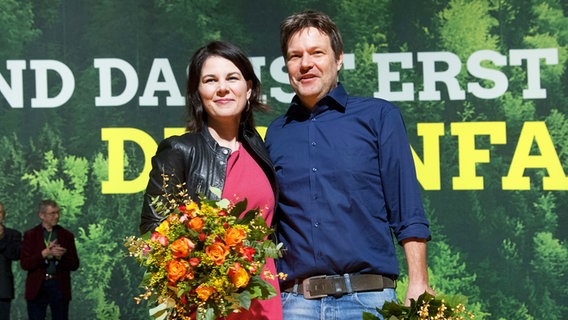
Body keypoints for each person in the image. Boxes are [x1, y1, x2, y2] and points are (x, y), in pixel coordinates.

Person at [264, 10, 435, 319]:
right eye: (295, 56)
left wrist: (418, 283)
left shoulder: (379, 117)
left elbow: (407, 209)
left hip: (367, 301)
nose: (305, 64)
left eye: (317, 53)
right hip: (294, 306)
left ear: (338, 58)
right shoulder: (276, 133)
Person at [140, 40, 282, 320]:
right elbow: (152, 233)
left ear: (249, 88)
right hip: (207, 308)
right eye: (210, 80)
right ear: (197, 93)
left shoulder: (260, 148)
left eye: (232, 78)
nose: (222, 88)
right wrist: (205, 261)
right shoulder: (179, 150)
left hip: (267, 305)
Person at [20, 199, 80, 320]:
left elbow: (75, 264)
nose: (56, 216)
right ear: (41, 215)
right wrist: (44, 254)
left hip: (59, 285)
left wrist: (59, 258)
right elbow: (25, 263)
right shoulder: (30, 235)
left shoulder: (67, 235)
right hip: (37, 287)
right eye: (52, 213)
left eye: (58, 212)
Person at [0, 202, 21, 320]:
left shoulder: (13, 234)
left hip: (2, 290)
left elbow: (16, 255)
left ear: (4, 215)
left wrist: (2, 239)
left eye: (0, 212)